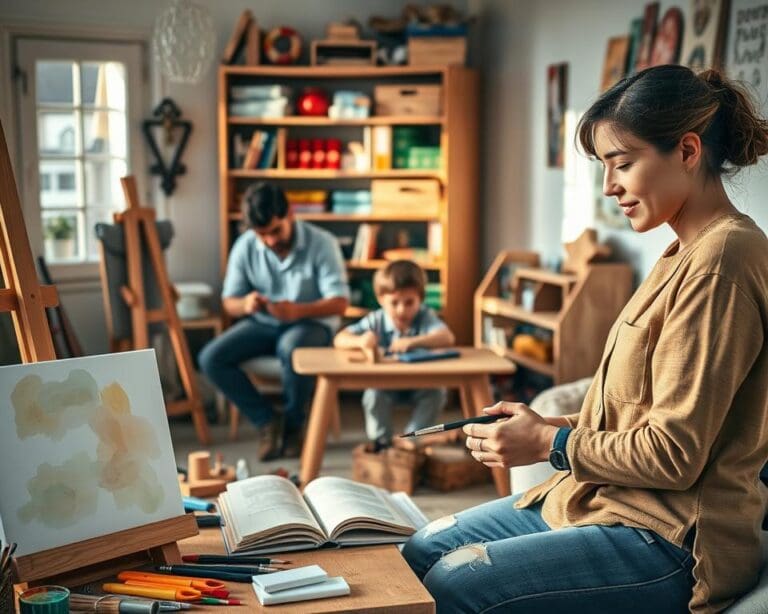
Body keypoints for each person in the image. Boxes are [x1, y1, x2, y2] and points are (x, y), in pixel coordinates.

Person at [402, 64, 768, 613]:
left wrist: (549, 446)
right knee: (421, 548)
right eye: (604, 166)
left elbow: (674, 456)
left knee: (456, 581)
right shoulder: (679, 254)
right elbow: (639, 411)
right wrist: (547, 424)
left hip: (668, 540)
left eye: (622, 163)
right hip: (605, 502)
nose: (609, 186)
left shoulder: (723, 262)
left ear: (688, 152)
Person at [199, 183, 349, 461]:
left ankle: (293, 426)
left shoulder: (322, 243)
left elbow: (340, 302)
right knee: (210, 358)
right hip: (263, 323)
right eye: (262, 235)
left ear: (289, 214)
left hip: (311, 324)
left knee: (292, 348)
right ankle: (268, 421)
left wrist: (298, 311)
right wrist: (245, 304)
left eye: (275, 231)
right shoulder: (245, 246)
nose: (269, 241)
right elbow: (228, 302)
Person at [334, 260, 455, 450]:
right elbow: (340, 338)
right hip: (386, 385)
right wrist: (360, 341)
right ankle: (381, 442)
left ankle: (411, 440)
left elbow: (447, 337)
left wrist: (413, 342)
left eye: (409, 302)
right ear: (381, 299)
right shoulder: (376, 319)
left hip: (420, 383)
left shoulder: (425, 316)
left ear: (420, 299)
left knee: (437, 393)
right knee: (373, 395)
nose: (402, 310)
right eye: (394, 302)